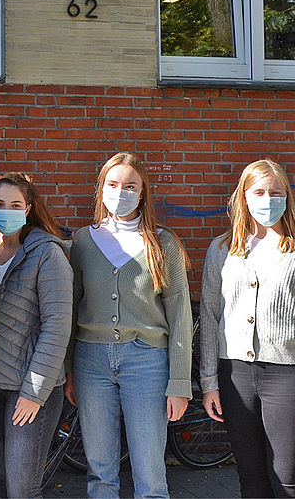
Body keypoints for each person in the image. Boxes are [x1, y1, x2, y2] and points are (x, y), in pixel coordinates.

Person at [64, 152, 192, 498]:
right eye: (113, 184)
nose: (121, 191)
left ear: (143, 192)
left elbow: (181, 316)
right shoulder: (84, 242)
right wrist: (69, 369)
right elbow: (72, 310)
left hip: (147, 363)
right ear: (101, 188)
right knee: (100, 471)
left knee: (150, 474)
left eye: (130, 185)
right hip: (91, 362)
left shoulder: (163, 243)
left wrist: (179, 382)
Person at [200, 159, 295, 497]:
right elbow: (211, 317)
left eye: (275, 192)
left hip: (290, 377)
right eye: (258, 192)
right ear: (243, 197)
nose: (267, 199)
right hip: (236, 377)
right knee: (251, 479)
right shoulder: (222, 250)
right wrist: (209, 382)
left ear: (287, 197)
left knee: (288, 479)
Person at [0, 172, 72, 498]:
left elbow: (57, 327)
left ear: (28, 208)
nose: (6, 210)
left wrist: (34, 392)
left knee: (22, 488)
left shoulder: (46, 254)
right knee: (2, 477)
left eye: (15, 204)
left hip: (29, 388)